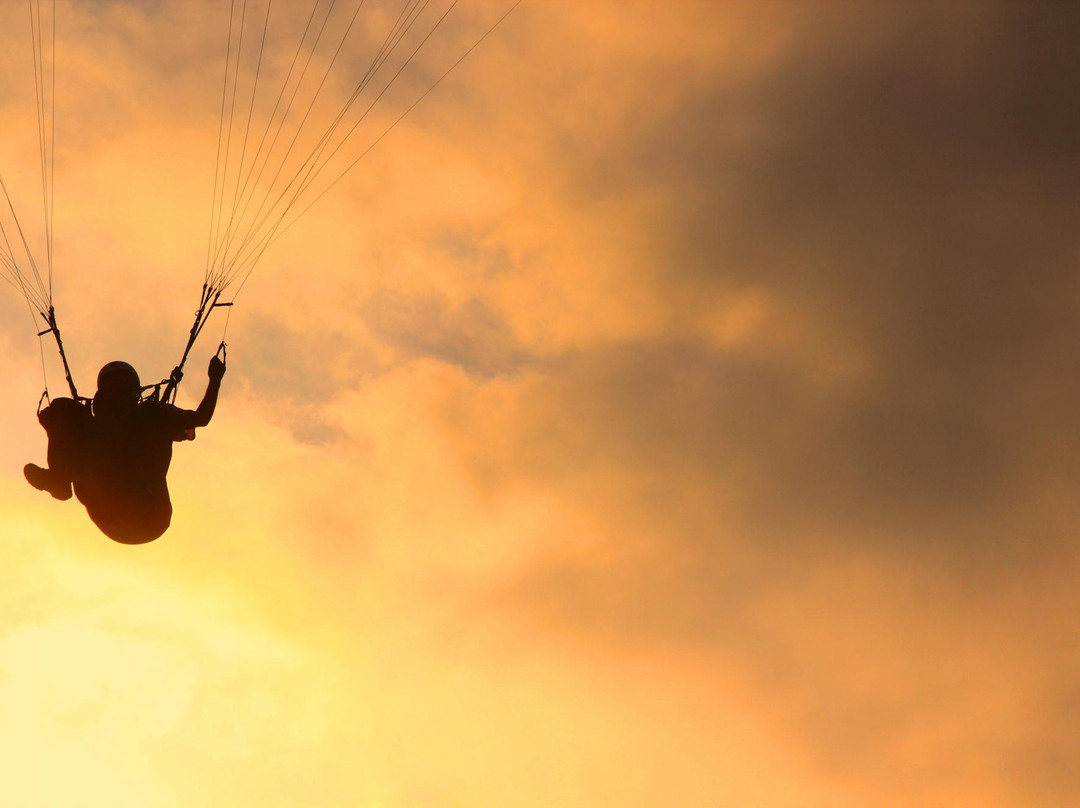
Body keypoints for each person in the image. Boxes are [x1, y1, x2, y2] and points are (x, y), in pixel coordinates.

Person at [23, 354, 227, 544]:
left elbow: (201, 418)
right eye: (110, 387)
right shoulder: (91, 427)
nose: (115, 392)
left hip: (148, 511)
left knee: (145, 421)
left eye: (119, 386)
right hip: (110, 512)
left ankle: (59, 478)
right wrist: (54, 428)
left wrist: (215, 380)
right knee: (63, 409)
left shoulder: (153, 415)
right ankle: (58, 480)